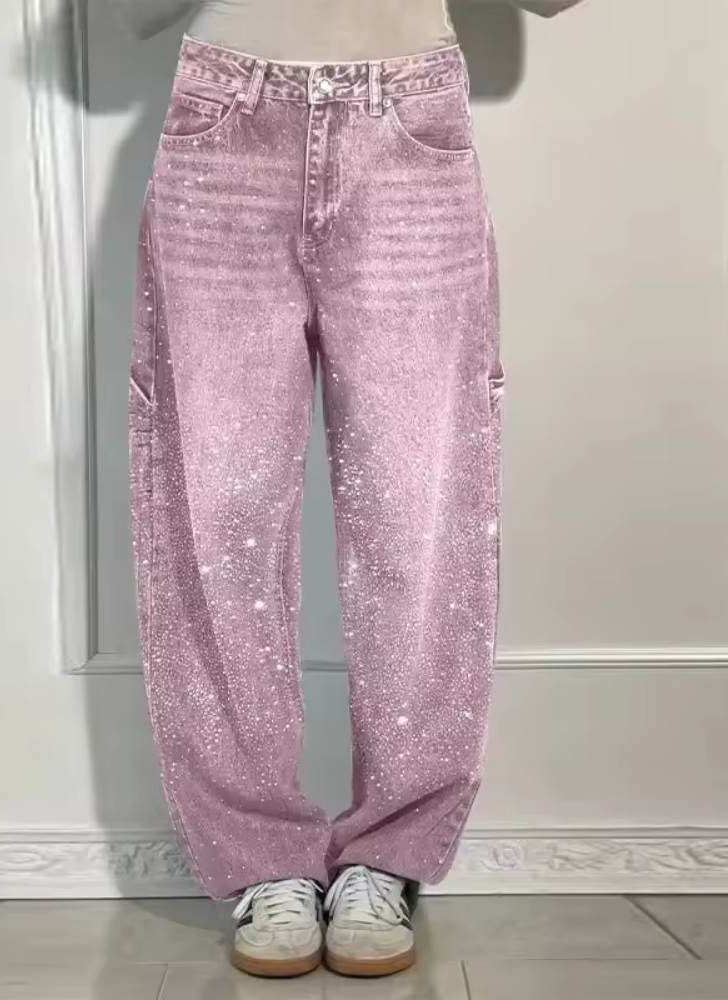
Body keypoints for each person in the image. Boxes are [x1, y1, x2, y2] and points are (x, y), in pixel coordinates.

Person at [112, 0, 582, 980]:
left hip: (408, 131)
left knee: (420, 509)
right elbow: (133, 14)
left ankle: (389, 856)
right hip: (224, 127)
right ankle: (260, 860)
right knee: (218, 508)